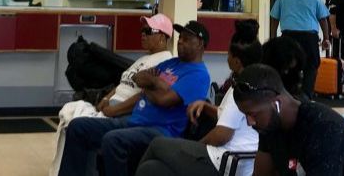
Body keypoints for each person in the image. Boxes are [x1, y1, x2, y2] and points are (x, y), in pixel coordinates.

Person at [59, 21, 211, 176]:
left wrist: (151, 85)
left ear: (200, 44)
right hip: (134, 121)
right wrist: (156, 84)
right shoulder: (171, 63)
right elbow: (139, 77)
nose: (180, 41)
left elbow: (164, 100)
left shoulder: (198, 75)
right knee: (77, 127)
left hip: (161, 130)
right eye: (180, 37)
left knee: (113, 140)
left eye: (186, 39)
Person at [50, 13, 175, 176]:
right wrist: (106, 98)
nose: (143, 35)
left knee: (78, 128)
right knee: (71, 117)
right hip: (112, 107)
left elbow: (145, 96)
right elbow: (123, 83)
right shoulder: (144, 59)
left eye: (149, 31)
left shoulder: (165, 62)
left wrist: (114, 110)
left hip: (126, 113)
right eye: (142, 31)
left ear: (162, 37)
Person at [135, 20, 263, 176]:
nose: (226, 57)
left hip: (224, 161)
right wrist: (206, 105)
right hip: (233, 159)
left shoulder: (241, 89)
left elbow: (222, 135)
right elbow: (230, 117)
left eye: (228, 54)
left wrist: (195, 148)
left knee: (157, 144)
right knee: (151, 169)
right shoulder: (253, 84)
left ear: (236, 61)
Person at [232, 64, 344, 176]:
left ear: (277, 103)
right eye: (245, 115)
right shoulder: (270, 126)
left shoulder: (324, 129)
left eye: (253, 115)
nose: (250, 122)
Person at [270, 0, 331, 99]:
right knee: (311, 66)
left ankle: (289, 94)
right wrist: (326, 38)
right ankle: (306, 95)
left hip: (288, 37)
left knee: (288, 65)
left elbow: (274, 19)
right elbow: (323, 19)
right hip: (309, 38)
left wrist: (273, 37)